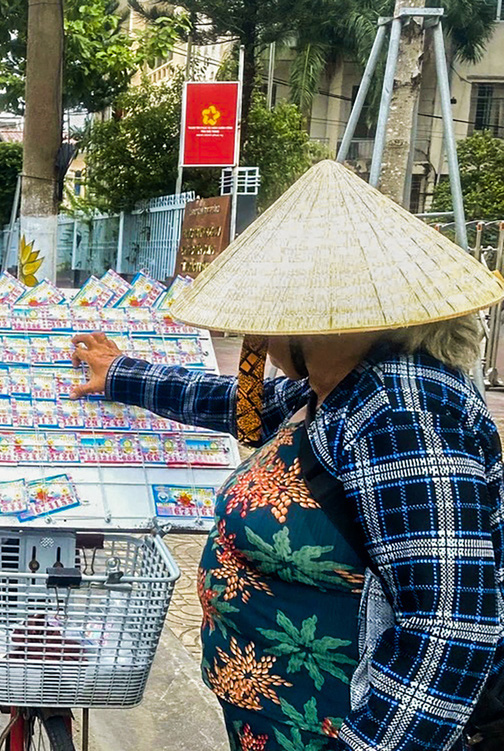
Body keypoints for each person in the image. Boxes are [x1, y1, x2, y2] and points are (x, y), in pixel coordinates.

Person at [72, 161, 504, 750]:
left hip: (341, 731)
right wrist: (121, 374)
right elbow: (240, 403)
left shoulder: (404, 417)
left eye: (270, 320)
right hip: (279, 717)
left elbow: (450, 627)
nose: (260, 340)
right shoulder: (333, 390)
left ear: (321, 324)